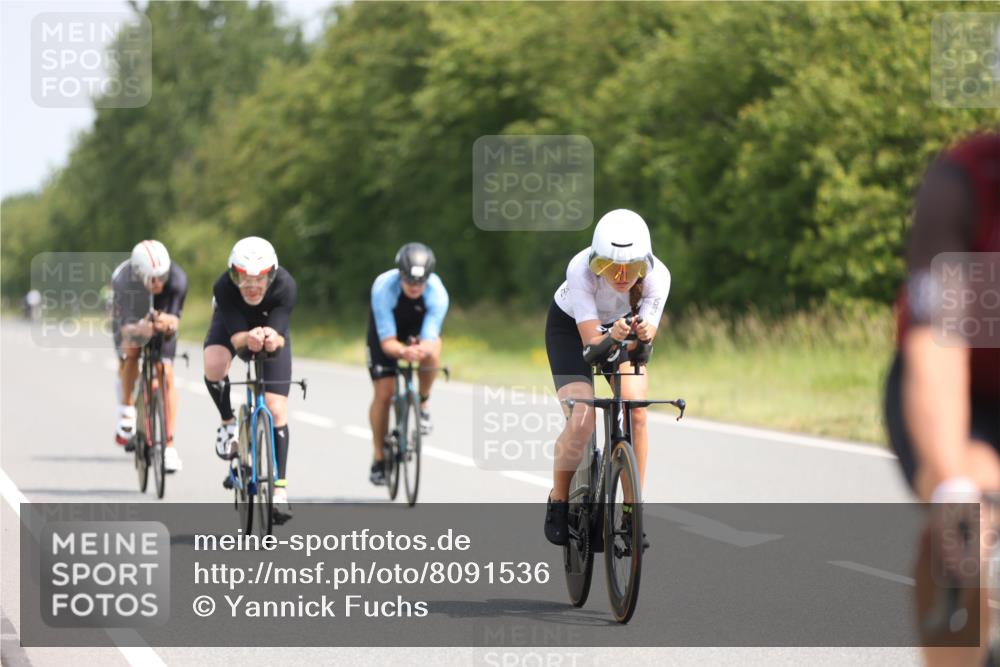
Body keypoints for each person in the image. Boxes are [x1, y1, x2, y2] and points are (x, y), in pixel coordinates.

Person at [884, 132, 1000, 665]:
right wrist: (954, 483)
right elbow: (938, 346)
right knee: (969, 512)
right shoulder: (963, 184)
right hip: (966, 392)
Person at [542, 209, 670, 546]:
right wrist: (612, 336)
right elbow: (591, 345)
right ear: (597, 262)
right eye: (611, 267)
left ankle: (631, 511)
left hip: (622, 330)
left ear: (646, 264)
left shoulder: (659, 277)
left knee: (636, 412)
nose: (622, 275)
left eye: (632, 268)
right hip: (572, 330)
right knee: (582, 419)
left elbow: (645, 345)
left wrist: (643, 334)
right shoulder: (579, 270)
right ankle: (558, 499)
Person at [203, 237, 297, 520]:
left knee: (276, 408)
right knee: (215, 363)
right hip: (233, 325)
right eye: (243, 278)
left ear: (272, 274)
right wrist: (249, 337)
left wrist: (271, 338)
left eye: (259, 279)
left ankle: (279, 489)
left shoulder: (285, 285)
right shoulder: (224, 287)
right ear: (234, 274)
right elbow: (238, 340)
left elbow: (278, 337)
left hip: (270, 326)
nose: (252, 286)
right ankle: (228, 424)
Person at [366, 242, 449, 486]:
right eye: (410, 281)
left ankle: (422, 402)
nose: (415, 287)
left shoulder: (437, 293)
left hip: (418, 327)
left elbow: (430, 337)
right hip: (387, 333)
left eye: (420, 282)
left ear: (428, 278)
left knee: (432, 354)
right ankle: (379, 457)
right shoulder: (384, 288)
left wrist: (421, 349)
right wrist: (403, 351)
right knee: (384, 393)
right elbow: (387, 343)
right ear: (400, 274)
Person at [111, 240, 188, 473]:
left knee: (166, 372)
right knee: (132, 351)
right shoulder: (124, 280)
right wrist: (140, 329)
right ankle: (126, 409)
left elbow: (174, 321)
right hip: (133, 312)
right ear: (138, 274)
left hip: (161, 313)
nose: (158, 283)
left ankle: (169, 447)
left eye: (161, 277)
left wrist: (167, 324)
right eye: (152, 279)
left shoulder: (176, 279)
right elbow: (125, 329)